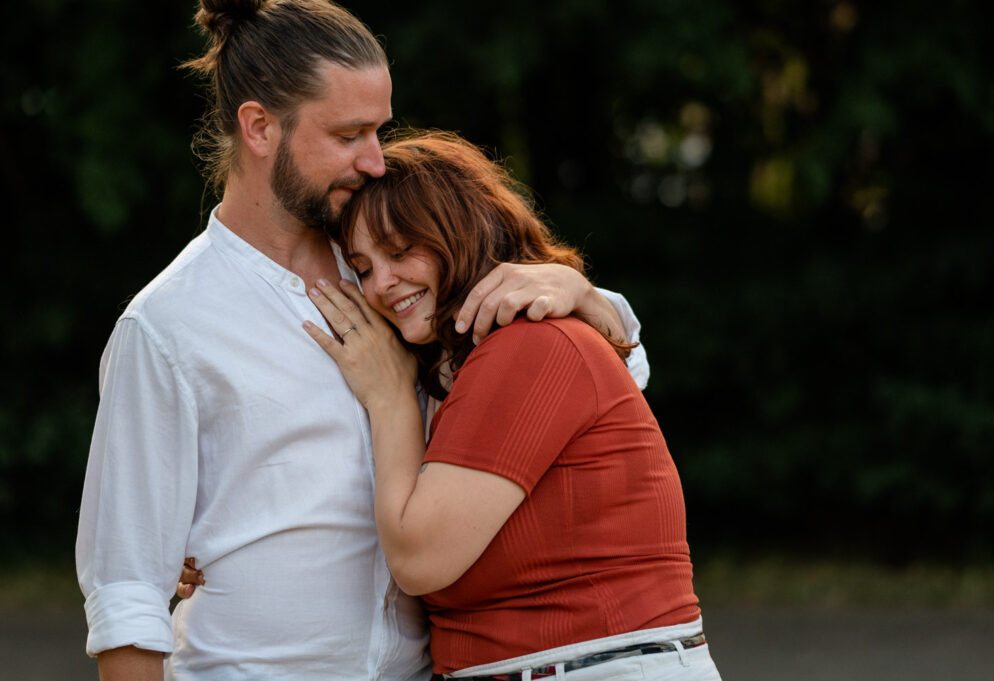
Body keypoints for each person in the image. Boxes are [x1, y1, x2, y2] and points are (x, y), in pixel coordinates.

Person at [74, 2, 648, 680]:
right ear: (259, 128)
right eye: (350, 135)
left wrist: (584, 295)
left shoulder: (397, 271)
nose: (376, 160)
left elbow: (609, 377)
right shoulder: (168, 325)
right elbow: (128, 588)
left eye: (380, 130)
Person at [301, 130, 721, 681]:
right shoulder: (454, 370)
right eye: (362, 267)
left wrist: (389, 400)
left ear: (460, 232)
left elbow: (419, 559)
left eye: (401, 252)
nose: (381, 283)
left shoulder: (529, 345)